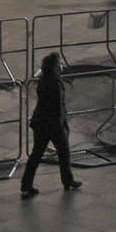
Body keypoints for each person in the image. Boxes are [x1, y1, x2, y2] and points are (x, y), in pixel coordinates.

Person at [19, 53, 83, 196]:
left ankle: (26, 184)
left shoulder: (44, 80)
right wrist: (63, 125)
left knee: (36, 154)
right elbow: (57, 106)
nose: (62, 66)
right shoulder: (55, 83)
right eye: (60, 63)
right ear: (55, 66)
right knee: (64, 152)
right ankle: (67, 180)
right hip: (53, 124)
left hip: (40, 123)